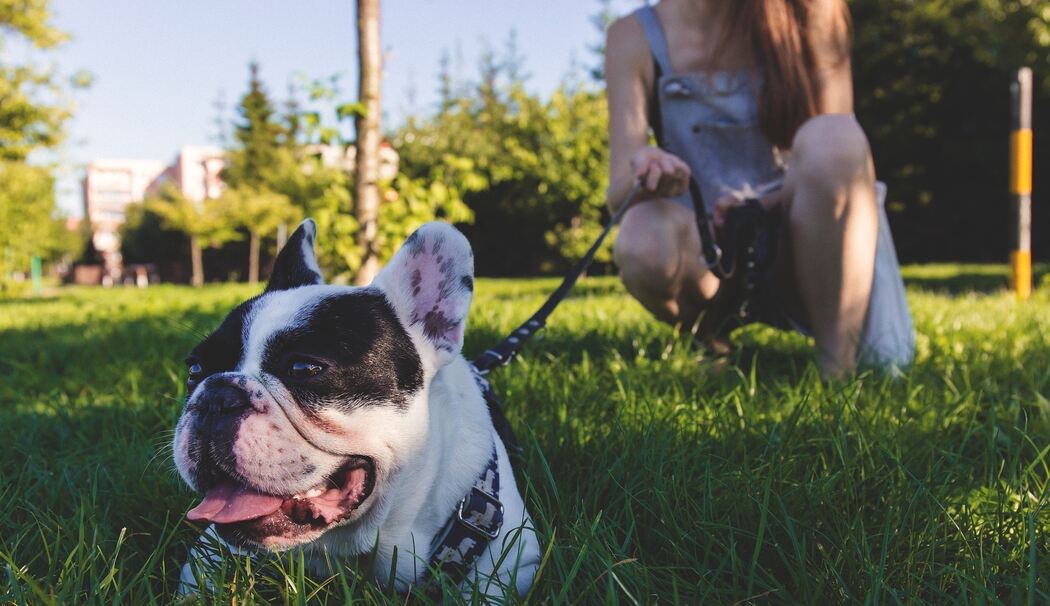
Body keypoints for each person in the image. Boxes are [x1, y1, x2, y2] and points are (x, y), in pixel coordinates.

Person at [604, 0, 914, 377]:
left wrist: (755, 206)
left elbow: (843, 159)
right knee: (641, 236)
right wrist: (648, 169)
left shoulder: (813, 11)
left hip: (805, 243)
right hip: (709, 252)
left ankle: (838, 365)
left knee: (834, 136)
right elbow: (618, 194)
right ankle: (709, 337)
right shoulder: (631, 36)